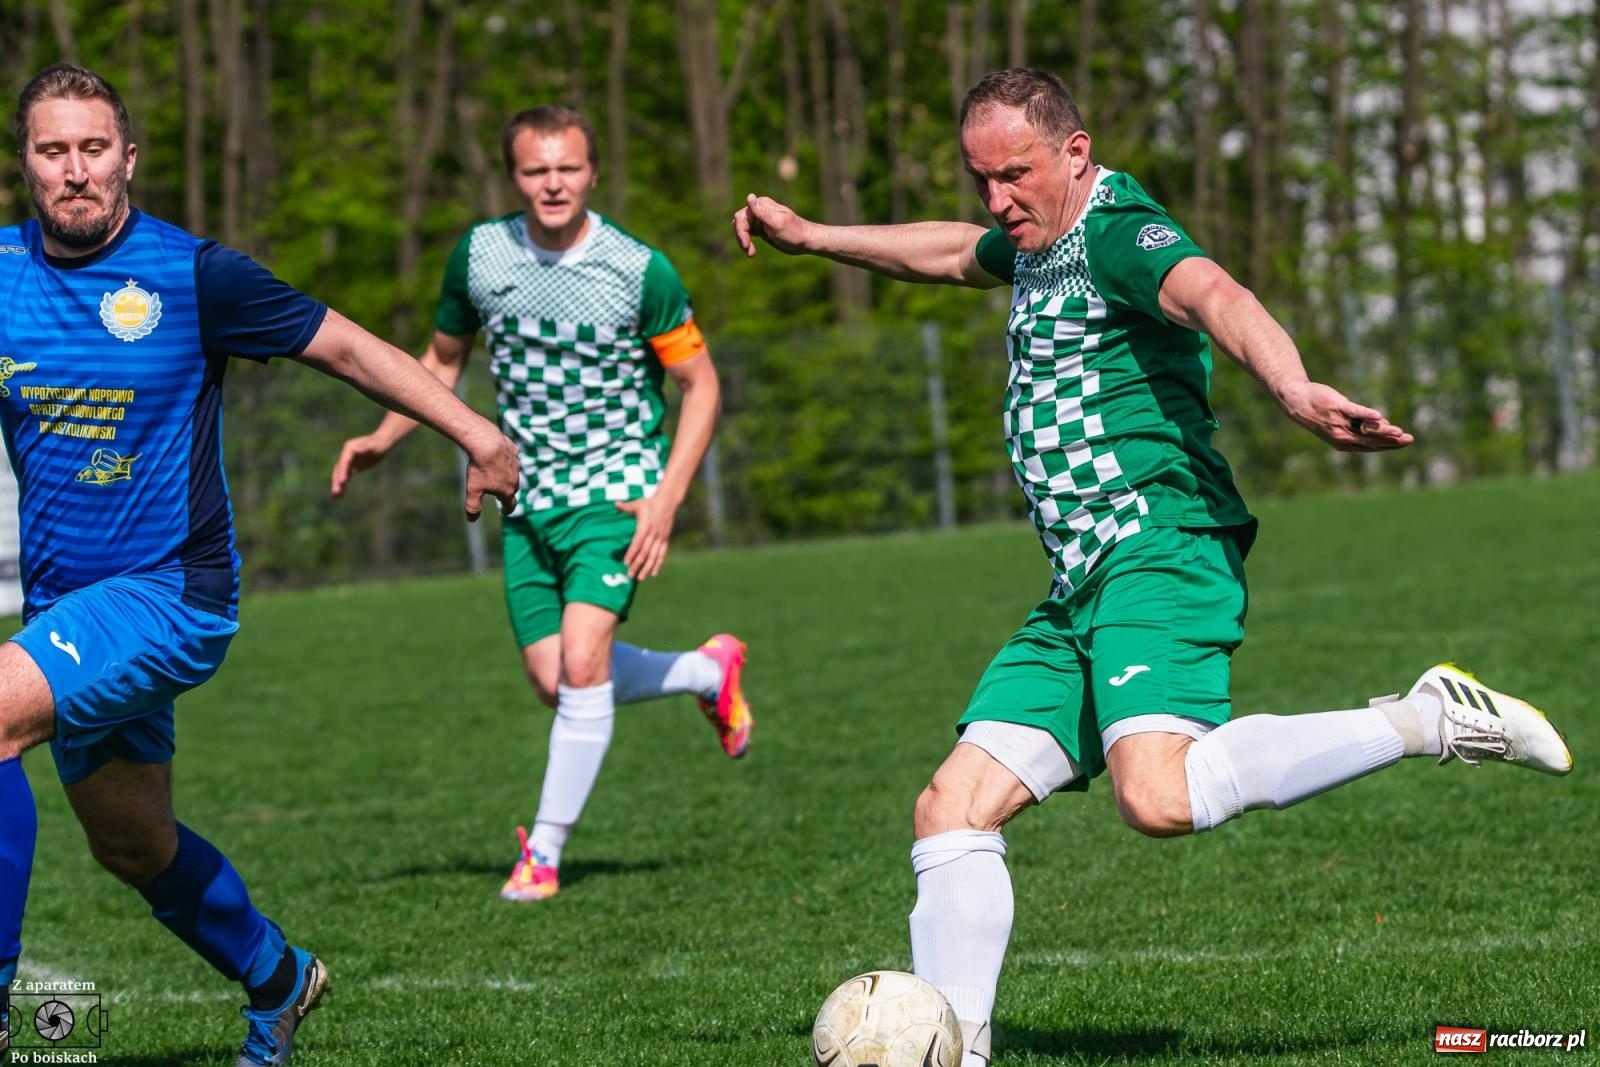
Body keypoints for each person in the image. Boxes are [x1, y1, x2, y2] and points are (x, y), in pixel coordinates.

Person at [734, 68, 1573, 1067]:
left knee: (1158, 797)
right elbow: (955, 252)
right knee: (949, 810)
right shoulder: (1035, 237)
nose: (997, 199)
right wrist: (815, 237)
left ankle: (1426, 717)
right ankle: (960, 1053)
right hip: (1081, 584)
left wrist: (1293, 387)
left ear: (1075, 154)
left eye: (1015, 174)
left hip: (1159, 548)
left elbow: (1215, 292)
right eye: (980, 177)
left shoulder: (1118, 235)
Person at [0, 64, 519, 1066]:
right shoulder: (3, 274)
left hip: (171, 597)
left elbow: (352, 350)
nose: (75, 169)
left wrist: (476, 431)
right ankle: (279, 978)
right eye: (52, 150)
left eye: (93, 148)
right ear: (25, 164)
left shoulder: (194, 276)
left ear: (128, 158)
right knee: (133, 844)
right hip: (65, 609)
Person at [332, 105, 753, 904]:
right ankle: (708, 669)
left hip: (616, 490)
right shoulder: (480, 255)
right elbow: (441, 361)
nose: (553, 183)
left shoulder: (640, 269)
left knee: (585, 661)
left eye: (567, 168)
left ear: (593, 172)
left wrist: (666, 497)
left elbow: (700, 386)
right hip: (525, 494)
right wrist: (385, 437)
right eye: (536, 169)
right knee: (556, 680)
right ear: (513, 176)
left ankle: (545, 853)